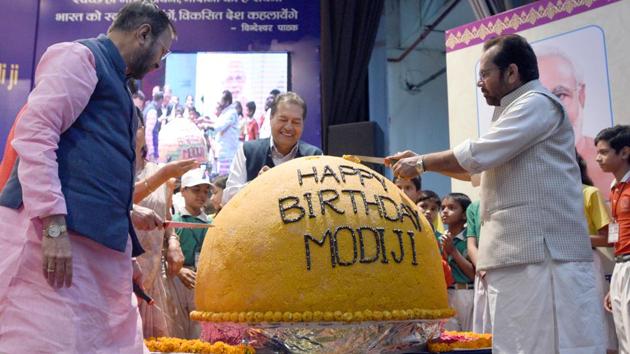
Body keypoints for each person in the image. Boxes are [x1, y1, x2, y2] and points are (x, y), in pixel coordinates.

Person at [387, 34, 604, 353]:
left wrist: (420, 162)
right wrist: (422, 162)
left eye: (485, 74)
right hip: (520, 259)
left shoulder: (537, 104)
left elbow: (477, 154)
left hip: (543, 260)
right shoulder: (517, 111)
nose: (480, 83)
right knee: (516, 345)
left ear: (512, 73)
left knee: (543, 346)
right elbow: (474, 170)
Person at [0, 2, 176, 352]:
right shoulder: (80, 57)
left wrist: (125, 255)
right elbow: (35, 135)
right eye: (163, 51)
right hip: (48, 246)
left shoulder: (119, 86)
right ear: (143, 33)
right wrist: (53, 227)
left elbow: (91, 175)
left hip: (95, 257)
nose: (159, 64)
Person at [222, 92, 322, 204]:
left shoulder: (314, 156)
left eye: (296, 122)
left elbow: (321, 198)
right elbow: (227, 200)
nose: (289, 127)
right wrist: (257, 185)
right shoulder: (247, 150)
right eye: (283, 120)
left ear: (303, 125)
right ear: (270, 118)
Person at [537, 47, 612, 195]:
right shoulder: (526, 172)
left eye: (560, 95)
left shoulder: (610, 168)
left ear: (581, 95)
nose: (550, 111)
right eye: (538, 100)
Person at [597, 125, 630, 353]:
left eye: (604, 152)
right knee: (623, 336)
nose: (598, 158)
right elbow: (616, 233)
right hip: (621, 267)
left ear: (625, 152)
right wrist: (615, 284)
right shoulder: (614, 188)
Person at [168, 168, 211, 339]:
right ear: (183, 191)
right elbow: (163, 253)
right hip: (177, 280)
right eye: (196, 190)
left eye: (206, 191)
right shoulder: (173, 222)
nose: (202, 195)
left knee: (200, 329)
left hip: (203, 281)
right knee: (176, 326)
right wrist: (178, 271)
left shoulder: (212, 222)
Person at [439, 193, 475, 331]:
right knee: (449, 340)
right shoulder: (438, 238)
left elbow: (473, 274)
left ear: (464, 215)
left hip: (467, 293)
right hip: (447, 294)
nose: (445, 211)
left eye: (452, 207)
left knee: (471, 339)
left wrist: (453, 251)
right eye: (443, 208)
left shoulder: (470, 239)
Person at [212, 90, 240, 176]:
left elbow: (219, 126)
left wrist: (206, 125)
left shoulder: (231, 113)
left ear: (227, 102)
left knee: (225, 179)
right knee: (220, 176)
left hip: (228, 152)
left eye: (221, 100)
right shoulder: (225, 113)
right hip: (222, 151)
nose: (219, 103)